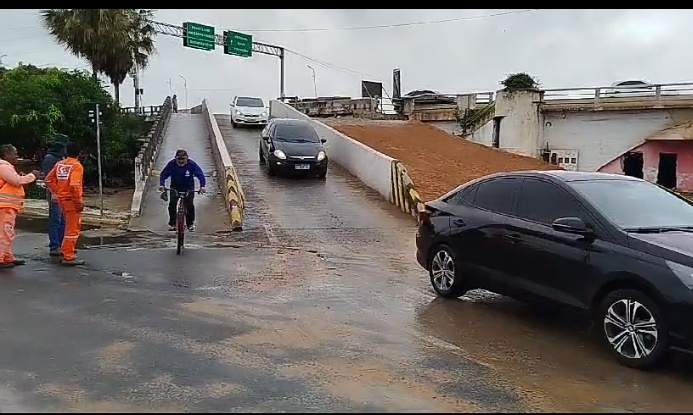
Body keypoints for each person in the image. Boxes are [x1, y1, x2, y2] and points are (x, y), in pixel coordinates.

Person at [44, 142, 85, 266]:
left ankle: (65, 250)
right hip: (71, 200)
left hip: (63, 200)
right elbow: (74, 185)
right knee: (72, 229)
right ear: (80, 153)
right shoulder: (76, 166)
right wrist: (78, 202)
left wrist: (59, 192)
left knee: (67, 226)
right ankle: (68, 256)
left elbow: (49, 180)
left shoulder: (60, 164)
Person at [0, 144, 40, 268]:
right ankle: (2, 258)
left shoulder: (6, 167)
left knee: (8, 232)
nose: (17, 156)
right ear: (6, 155)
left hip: (8, 206)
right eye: (14, 153)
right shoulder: (3, 167)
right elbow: (17, 181)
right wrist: (32, 175)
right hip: (5, 206)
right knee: (5, 232)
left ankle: (7, 257)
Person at [158, 149, 206, 232]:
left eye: (183, 159)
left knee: (190, 205)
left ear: (187, 158)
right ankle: (172, 223)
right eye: (179, 159)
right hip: (174, 187)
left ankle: (190, 224)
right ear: (175, 158)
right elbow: (164, 174)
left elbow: (200, 174)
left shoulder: (192, 165)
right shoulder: (171, 164)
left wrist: (202, 186)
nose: (181, 161)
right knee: (172, 205)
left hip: (188, 188)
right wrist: (162, 184)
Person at [41, 135, 68, 257]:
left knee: (63, 220)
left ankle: (62, 245)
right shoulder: (50, 158)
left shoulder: (62, 158)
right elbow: (48, 179)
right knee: (55, 220)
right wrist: (54, 193)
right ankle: (54, 246)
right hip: (55, 194)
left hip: (64, 194)